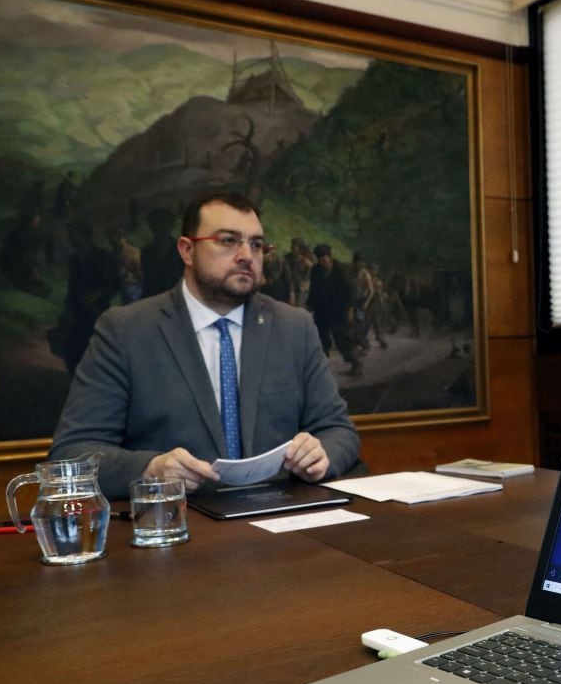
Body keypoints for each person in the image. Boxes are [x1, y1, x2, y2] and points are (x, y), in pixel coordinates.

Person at [49, 191, 360, 498]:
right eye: (228, 241)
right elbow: (71, 454)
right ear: (187, 250)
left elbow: (338, 430)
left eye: (256, 244)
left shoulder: (294, 327)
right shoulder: (125, 331)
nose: (247, 255)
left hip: (281, 517)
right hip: (179, 520)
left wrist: (322, 454)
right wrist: (150, 469)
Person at [307, 243, 362, 376]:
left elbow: (350, 291)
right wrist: (310, 304)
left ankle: (355, 363)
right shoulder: (316, 270)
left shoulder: (341, 270)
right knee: (321, 338)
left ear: (330, 257)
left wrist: (350, 309)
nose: (322, 262)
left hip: (339, 310)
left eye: (324, 259)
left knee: (341, 338)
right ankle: (323, 368)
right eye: (319, 259)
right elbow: (313, 289)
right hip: (321, 309)